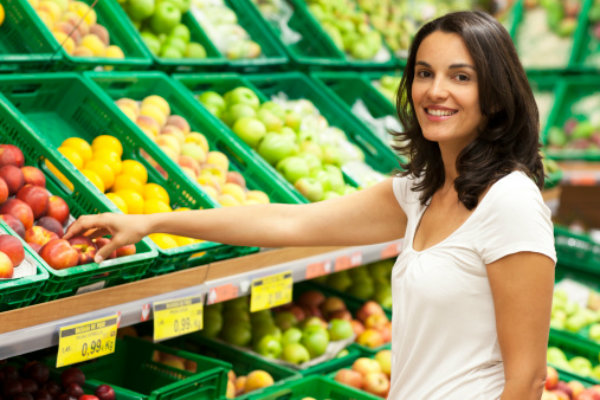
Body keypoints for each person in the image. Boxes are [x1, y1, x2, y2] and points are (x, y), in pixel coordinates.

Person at [65, 10, 556, 399]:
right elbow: (288, 220)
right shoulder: (421, 192)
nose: (435, 90)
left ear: (495, 94)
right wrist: (152, 220)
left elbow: (529, 378)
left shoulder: (510, 201)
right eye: (424, 73)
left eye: (461, 76)